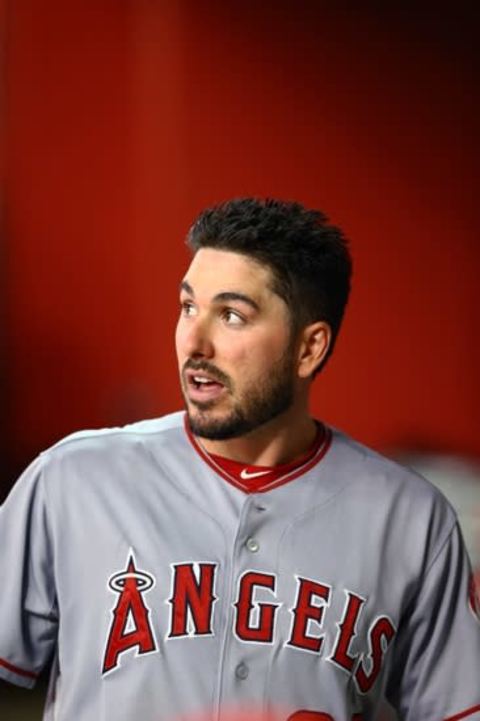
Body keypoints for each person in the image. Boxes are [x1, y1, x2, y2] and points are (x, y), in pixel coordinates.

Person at [0, 197, 479, 721]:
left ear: (309, 348)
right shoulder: (71, 481)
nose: (194, 341)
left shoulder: (411, 519)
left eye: (231, 315)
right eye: (187, 307)